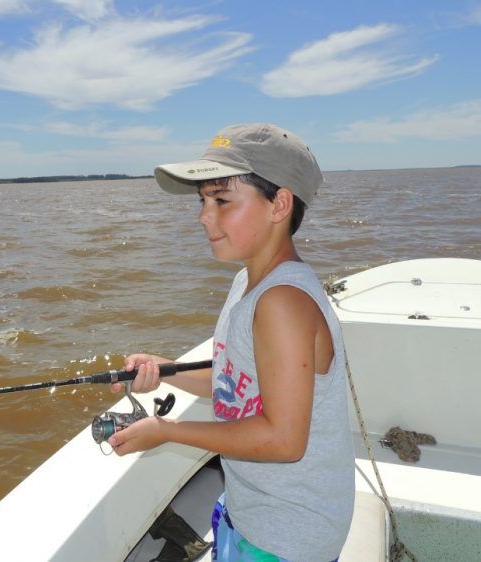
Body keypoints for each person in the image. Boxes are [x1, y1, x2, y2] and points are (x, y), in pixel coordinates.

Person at [108, 123, 355, 562]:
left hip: (287, 537)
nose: (204, 216)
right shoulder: (249, 282)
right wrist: (164, 371)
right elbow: (235, 380)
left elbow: (284, 440)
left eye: (222, 200)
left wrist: (166, 432)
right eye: (202, 201)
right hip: (255, 510)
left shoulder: (281, 302)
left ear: (279, 204)